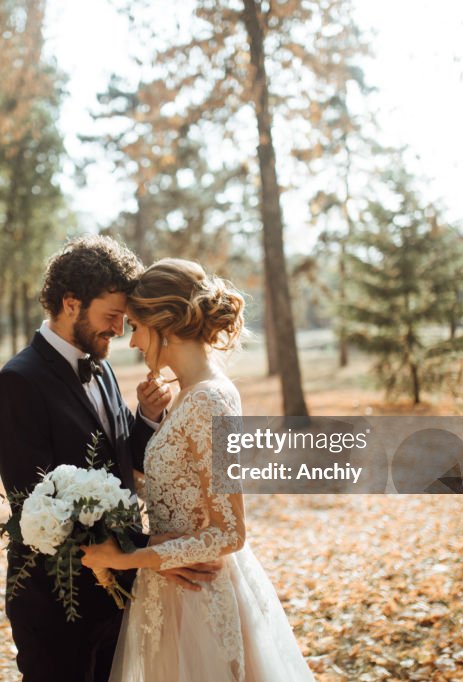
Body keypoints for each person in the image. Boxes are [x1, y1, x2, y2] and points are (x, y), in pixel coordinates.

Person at [0, 237, 220, 682]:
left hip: (119, 595)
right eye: (111, 316)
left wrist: (147, 419)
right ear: (71, 303)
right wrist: (146, 550)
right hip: (58, 602)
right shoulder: (18, 382)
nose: (119, 329)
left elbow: (116, 467)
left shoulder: (104, 367)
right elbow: (36, 506)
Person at [81, 258, 317, 681]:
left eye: (136, 325)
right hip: (169, 597)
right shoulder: (187, 396)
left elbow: (230, 531)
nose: (132, 341)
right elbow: (175, 487)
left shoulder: (210, 401)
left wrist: (133, 557)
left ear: (164, 323)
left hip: (199, 602)